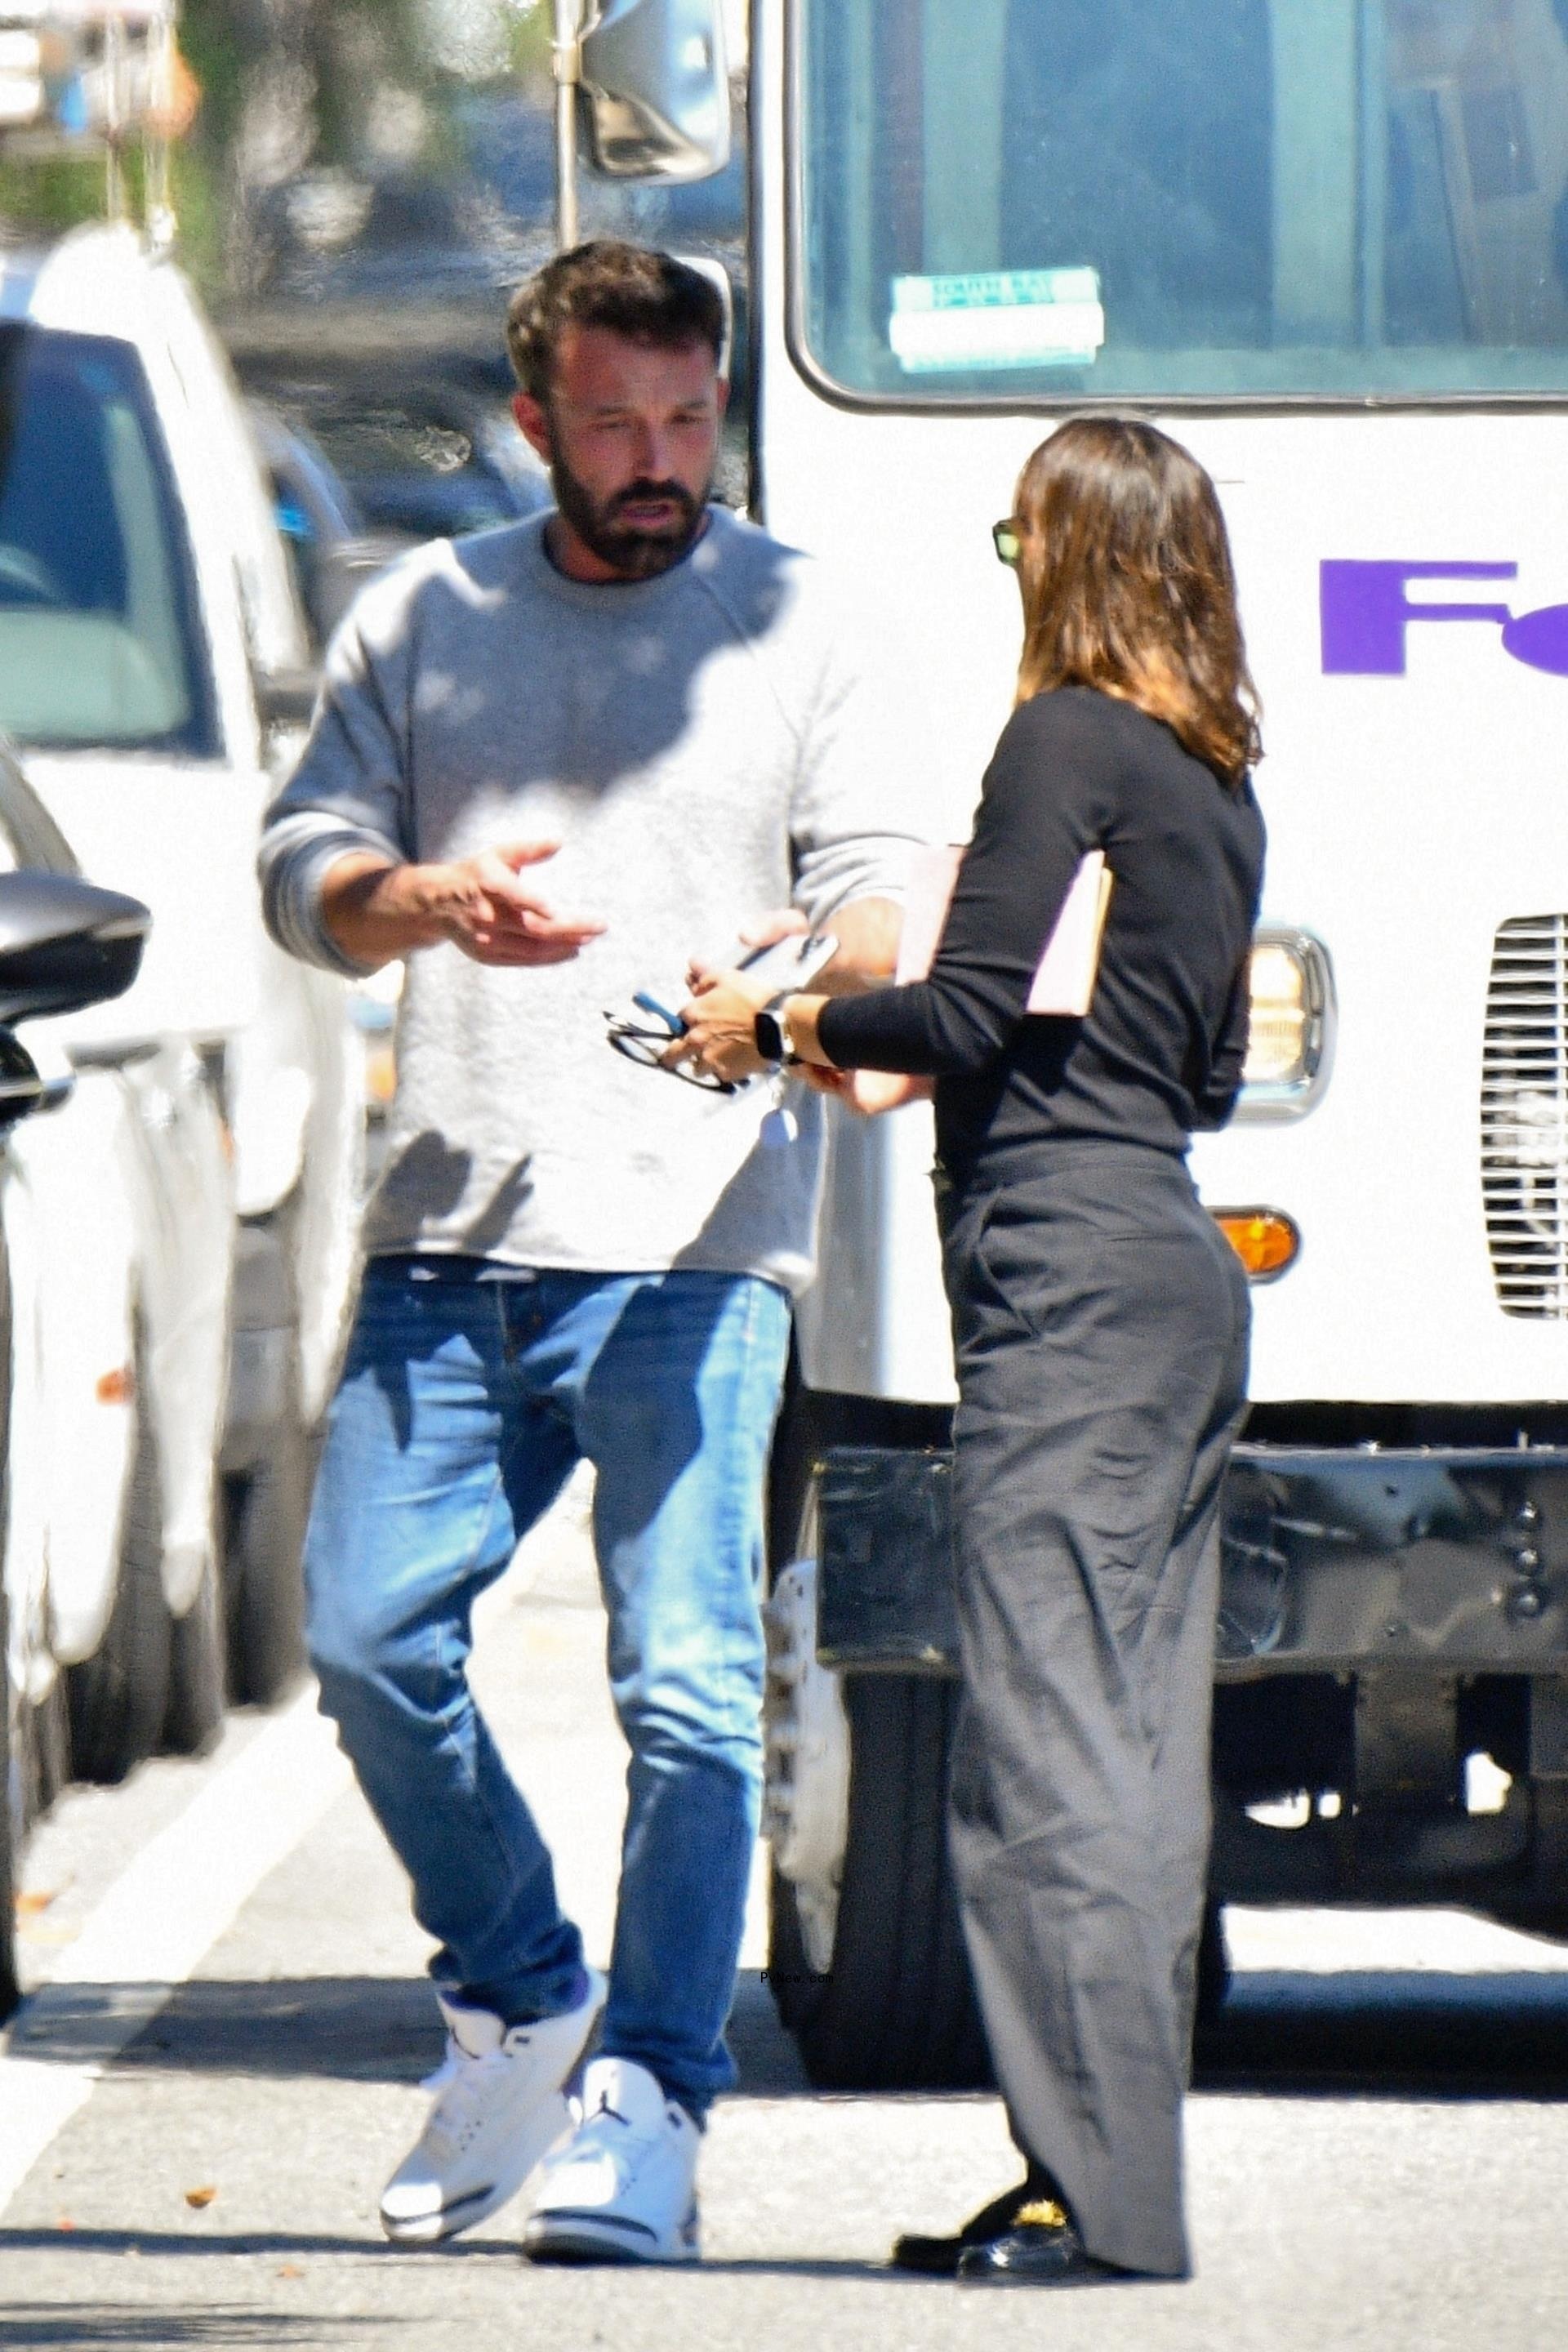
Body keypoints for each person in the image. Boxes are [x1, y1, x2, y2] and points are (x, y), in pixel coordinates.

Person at [257, 239, 918, 2267]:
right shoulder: (425, 615)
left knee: (696, 1697)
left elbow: (888, 897)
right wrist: (424, 898)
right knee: (368, 1644)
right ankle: (525, 1992)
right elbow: (305, 876)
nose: (658, 460)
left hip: (700, 1242)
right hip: (456, 1235)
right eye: (616, 423)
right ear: (534, 419)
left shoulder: (802, 623)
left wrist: (809, 975)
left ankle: (651, 2092)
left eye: (690, 421)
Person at [678, 416, 1266, 2288]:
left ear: (1068, 556)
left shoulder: (1062, 739)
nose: (1007, 568)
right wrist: (885, 1009)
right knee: (1138, 1752)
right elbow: (1206, 1066)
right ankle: (1101, 2181)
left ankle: (1100, 2206)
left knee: (1039, 1759)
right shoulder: (1211, 772)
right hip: (1169, 1265)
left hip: (1065, 1289)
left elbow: (959, 1005)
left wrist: (773, 1027)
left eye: (1019, 541)